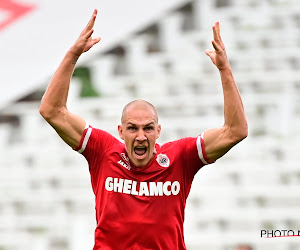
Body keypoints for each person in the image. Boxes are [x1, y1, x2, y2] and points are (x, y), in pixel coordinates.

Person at [39, 9, 248, 250]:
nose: (140, 136)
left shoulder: (179, 158)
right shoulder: (103, 151)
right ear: (120, 131)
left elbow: (235, 131)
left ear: (158, 131)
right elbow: (52, 110)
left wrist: (224, 70)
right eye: (132, 128)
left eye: (148, 128)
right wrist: (73, 55)